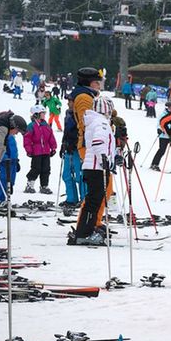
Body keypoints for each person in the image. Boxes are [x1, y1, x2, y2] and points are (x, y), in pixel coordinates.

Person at [69, 95, 116, 246]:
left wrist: (113, 157)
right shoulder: (101, 122)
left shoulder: (94, 121)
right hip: (97, 167)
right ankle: (85, 233)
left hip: (93, 166)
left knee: (92, 201)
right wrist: (104, 159)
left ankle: (84, 230)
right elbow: (98, 142)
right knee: (94, 201)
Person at [60, 67, 103, 212]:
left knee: (81, 175)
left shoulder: (86, 97)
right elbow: (86, 124)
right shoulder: (84, 98)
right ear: (90, 83)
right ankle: (75, 199)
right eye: (97, 82)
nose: (69, 103)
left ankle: (84, 199)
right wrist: (65, 143)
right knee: (71, 174)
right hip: (79, 143)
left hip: (79, 143)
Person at [22, 105, 58, 194]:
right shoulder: (31, 126)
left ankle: (44, 186)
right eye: (42, 113)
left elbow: (51, 137)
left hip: (46, 151)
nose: (44, 115)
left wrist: (53, 147)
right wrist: (29, 150)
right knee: (36, 168)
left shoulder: (46, 125)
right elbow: (27, 138)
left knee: (46, 169)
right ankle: (30, 184)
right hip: (36, 150)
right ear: (36, 114)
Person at [0, 122, 21, 205]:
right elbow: (1, 148)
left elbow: (13, 150)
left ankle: (2, 199)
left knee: (11, 181)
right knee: (4, 179)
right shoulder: (5, 135)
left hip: (12, 161)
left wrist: (16, 161)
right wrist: (4, 158)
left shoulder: (11, 136)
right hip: (5, 161)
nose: (17, 133)